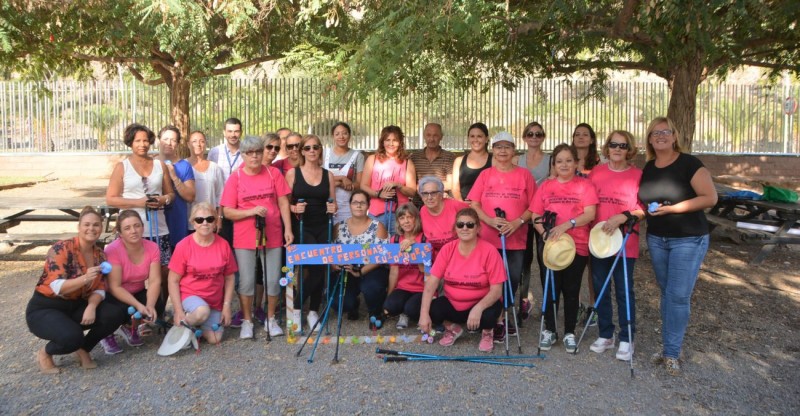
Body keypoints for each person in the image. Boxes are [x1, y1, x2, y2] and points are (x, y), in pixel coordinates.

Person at [638, 116, 717, 376]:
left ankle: (672, 352)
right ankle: (669, 347)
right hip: (657, 238)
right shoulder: (649, 167)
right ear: (649, 139)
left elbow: (710, 198)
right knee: (666, 294)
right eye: (655, 132)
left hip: (688, 238)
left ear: (674, 136)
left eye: (666, 132)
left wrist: (674, 209)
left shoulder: (689, 163)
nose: (661, 136)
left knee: (678, 296)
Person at [26, 207, 127, 373]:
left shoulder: (100, 255)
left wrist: (91, 306)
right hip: (47, 306)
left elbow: (100, 288)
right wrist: (85, 278)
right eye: (87, 224)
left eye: (96, 225)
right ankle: (46, 353)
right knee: (72, 337)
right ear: (79, 227)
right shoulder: (61, 248)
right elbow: (57, 287)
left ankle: (83, 349)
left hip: (76, 304)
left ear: (101, 228)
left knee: (114, 314)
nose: (91, 228)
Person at [220, 136, 294, 339]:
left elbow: (283, 202)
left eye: (258, 152)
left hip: (272, 234)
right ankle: (247, 320)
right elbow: (227, 211)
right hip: (245, 237)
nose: (254, 156)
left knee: (272, 279)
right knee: (246, 281)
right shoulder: (235, 177)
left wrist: (288, 229)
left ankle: (271, 318)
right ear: (242, 155)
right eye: (249, 153)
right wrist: (250, 212)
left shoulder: (273, 173)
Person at [467, 132, 536, 343]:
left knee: (511, 280)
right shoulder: (485, 175)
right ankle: (492, 318)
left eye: (507, 146)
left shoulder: (524, 175)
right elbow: (474, 204)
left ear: (514, 150)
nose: (503, 151)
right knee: (487, 280)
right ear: (493, 150)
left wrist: (518, 222)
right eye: (498, 147)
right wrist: (489, 220)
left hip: (515, 239)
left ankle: (502, 316)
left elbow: (535, 207)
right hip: (488, 239)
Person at [530, 143, 597, 353]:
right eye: (559, 161)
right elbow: (535, 215)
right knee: (551, 288)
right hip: (551, 247)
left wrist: (567, 225)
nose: (564, 165)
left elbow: (590, 213)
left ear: (576, 163)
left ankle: (569, 331)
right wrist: (544, 233)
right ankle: (550, 330)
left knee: (571, 289)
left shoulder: (585, 185)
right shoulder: (546, 186)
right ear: (553, 164)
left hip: (576, 245)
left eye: (569, 160)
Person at [587, 130, 644, 361]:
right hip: (600, 241)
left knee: (623, 289)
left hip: (625, 241)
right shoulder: (597, 173)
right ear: (607, 147)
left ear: (630, 149)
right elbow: (587, 203)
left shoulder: (637, 175)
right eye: (613, 145)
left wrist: (624, 216)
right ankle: (605, 333)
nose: (617, 149)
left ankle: (627, 337)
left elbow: (643, 209)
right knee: (600, 287)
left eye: (623, 145)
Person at [418, 208, 506, 352]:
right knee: (432, 308)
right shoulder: (447, 249)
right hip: (454, 303)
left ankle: (487, 333)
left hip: (481, 303)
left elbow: (497, 290)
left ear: (478, 228)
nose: (465, 228)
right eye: (460, 225)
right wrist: (423, 314)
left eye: (470, 225)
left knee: (490, 313)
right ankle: (453, 328)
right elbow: (431, 283)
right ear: (455, 228)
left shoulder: (490, 251)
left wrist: (478, 308)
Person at [285, 134, 337, 333]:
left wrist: (333, 208)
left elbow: (333, 203)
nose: (312, 151)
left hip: (323, 225)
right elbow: (284, 203)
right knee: (315, 265)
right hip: (302, 226)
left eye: (316, 147)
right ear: (302, 152)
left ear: (320, 150)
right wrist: (293, 208)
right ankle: (298, 308)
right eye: (307, 148)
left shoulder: (328, 175)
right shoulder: (293, 174)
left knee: (321, 267)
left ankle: (312, 310)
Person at [106, 123, 175, 269]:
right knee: (131, 269)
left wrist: (163, 199)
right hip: (130, 230)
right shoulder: (122, 167)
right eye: (137, 141)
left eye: (145, 140)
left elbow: (170, 194)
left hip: (158, 228)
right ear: (130, 142)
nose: (142, 144)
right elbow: (111, 199)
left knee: (162, 270)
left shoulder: (160, 165)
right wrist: (139, 202)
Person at [168, 203, 238, 344]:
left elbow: (230, 278)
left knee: (215, 339)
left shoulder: (223, 245)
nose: (205, 223)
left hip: (214, 301)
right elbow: (173, 280)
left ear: (215, 222)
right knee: (202, 311)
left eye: (209, 219)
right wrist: (178, 310)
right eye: (199, 220)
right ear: (193, 223)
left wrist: (226, 306)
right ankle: (181, 323)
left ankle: (195, 326)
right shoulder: (183, 246)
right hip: (190, 295)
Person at [100, 210, 164, 354]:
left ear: (143, 227)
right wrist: (139, 305)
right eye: (127, 228)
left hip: (137, 290)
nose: (133, 231)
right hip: (114, 294)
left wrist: (149, 305)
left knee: (157, 305)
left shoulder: (152, 247)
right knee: (120, 311)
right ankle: (106, 333)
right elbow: (115, 286)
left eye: (137, 226)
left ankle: (129, 327)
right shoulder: (113, 250)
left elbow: (154, 281)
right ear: (120, 233)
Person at [332, 190, 389, 325]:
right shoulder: (338, 227)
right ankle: (353, 305)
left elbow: (382, 257)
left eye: (362, 203)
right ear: (350, 205)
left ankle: (375, 312)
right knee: (339, 302)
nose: (358, 206)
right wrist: (335, 265)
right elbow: (331, 253)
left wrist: (360, 272)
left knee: (372, 288)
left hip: (371, 269)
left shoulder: (378, 227)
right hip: (346, 270)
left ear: (368, 205)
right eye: (355, 202)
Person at [514, 122, 552, 320]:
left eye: (538, 134)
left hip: (543, 217)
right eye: (530, 134)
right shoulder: (517, 160)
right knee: (524, 261)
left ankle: (547, 303)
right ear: (524, 137)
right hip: (522, 217)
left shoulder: (550, 160)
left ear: (543, 137)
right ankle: (523, 300)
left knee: (545, 259)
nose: (534, 137)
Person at [360, 125, 417, 235]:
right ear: (382, 142)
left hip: (400, 215)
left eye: (394, 140)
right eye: (387, 140)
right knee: (376, 244)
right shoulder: (372, 159)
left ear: (400, 142)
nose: (391, 143)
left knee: (398, 244)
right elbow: (363, 185)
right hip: (376, 213)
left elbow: (412, 191)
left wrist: (399, 185)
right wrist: (378, 194)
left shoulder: (407, 162)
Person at [572, 122, 601, 324]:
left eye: (585, 134)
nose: (581, 137)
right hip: (573, 219)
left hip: (594, 217)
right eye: (577, 134)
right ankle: (576, 304)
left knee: (593, 266)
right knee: (573, 265)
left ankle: (593, 305)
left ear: (591, 139)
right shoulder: (568, 160)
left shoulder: (600, 163)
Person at [383, 203, 425, 329]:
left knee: (411, 309)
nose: (406, 221)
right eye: (402, 218)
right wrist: (389, 295)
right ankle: (403, 310)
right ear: (398, 222)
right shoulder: (395, 240)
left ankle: (414, 313)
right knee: (390, 306)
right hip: (403, 287)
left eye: (409, 217)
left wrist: (414, 247)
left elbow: (424, 270)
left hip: (422, 287)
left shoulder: (424, 238)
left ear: (416, 219)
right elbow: (394, 270)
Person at [158, 125, 196, 252]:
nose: (169, 143)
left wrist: (174, 177)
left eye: (173, 140)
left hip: (176, 222)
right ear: (158, 141)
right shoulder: (150, 164)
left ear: (178, 144)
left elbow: (190, 197)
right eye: (165, 139)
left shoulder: (184, 166)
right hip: (155, 224)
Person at [208, 117, 244, 246]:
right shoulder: (215, 152)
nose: (233, 135)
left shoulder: (247, 151)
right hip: (221, 206)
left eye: (236, 131)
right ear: (224, 132)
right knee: (223, 244)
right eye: (230, 131)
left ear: (241, 132)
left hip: (240, 206)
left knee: (240, 244)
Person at [418, 176, 468, 261]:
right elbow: (418, 234)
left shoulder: (455, 206)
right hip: (438, 257)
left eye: (433, 193)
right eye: (425, 193)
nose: (429, 197)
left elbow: (475, 221)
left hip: (461, 254)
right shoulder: (422, 211)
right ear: (421, 197)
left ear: (441, 194)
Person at [323, 122, 364, 224]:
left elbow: (359, 184)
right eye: (337, 134)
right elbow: (318, 178)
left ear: (349, 135)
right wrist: (341, 178)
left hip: (347, 206)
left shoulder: (358, 156)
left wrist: (339, 184)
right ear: (332, 136)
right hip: (325, 204)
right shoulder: (324, 154)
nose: (341, 137)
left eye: (344, 133)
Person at [409, 123, 456, 207]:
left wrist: (425, 188)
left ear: (441, 137)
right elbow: (411, 185)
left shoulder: (449, 157)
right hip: (418, 205)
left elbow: (450, 183)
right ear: (424, 136)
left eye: (435, 135)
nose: (431, 139)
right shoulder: (414, 157)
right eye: (428, 135)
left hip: (441, 204)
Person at [187, 130, 225, 231]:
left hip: (210, 221)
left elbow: (220, 196)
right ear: (188, 144)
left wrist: (219, 219)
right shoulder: (183, 166)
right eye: (194, 141)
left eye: (202, 141)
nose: (198, 144)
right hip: (190, 223)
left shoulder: (215, 168)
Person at [452, 122, 492, 202]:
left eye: (479, 136)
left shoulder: (494, 160)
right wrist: (462, 204)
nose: (475, 140)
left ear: (486, 139)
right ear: (468, 139)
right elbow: (455, 188)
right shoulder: (459, 161)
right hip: (464, 206)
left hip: (486, 206)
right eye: (472, 136)